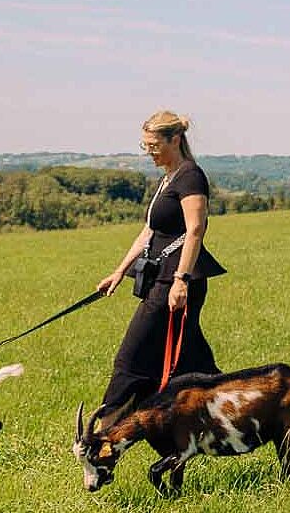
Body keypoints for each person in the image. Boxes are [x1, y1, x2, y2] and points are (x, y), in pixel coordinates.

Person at [95, 110, 225, 414]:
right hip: (162, 277)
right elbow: (150, 231)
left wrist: (182, 280)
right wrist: (119, 271)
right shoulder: (169, 177)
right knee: (194, 362)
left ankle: (103, 432)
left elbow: (195, 229)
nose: (149, 152)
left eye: (154, 145)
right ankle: (243, 405)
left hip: (176, 280)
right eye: (145, 146)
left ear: (175, 139)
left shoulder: (191, 175)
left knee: (131, 358)